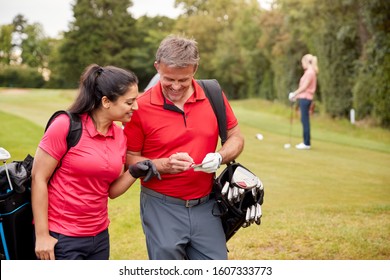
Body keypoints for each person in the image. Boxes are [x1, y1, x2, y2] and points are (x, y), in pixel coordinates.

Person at [124, 34, 245, 260]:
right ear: (157, 67)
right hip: (161, 206)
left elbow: (236, 137)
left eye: (184, 79)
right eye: (169, 79)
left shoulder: (214, 94)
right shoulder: (140, 107)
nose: (176, 86)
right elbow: (129, 158)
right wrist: (162, 165)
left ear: (195, 69)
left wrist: (220, 156)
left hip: (207, 204)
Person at [31, 64, 160, 260]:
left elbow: (109, 191)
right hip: (62, 237)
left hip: (99, 237)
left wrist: (134, 171)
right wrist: (42, 236)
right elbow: (38, 177)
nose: (136, 107)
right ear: (106, 101)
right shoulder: (65, 126)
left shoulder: (119, 136)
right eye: (129, 102)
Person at [288, 54, 319, 150]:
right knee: (304, 120)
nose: (302, 65)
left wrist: (294, 93)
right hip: (304, 98)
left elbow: (304, 87)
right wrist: (296, 96)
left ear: (306, 61)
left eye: (302, 62)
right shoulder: (310, 72)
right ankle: (306, 142)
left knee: (305, 120)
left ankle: (306, 143)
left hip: (306, 99)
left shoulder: (310, 72)